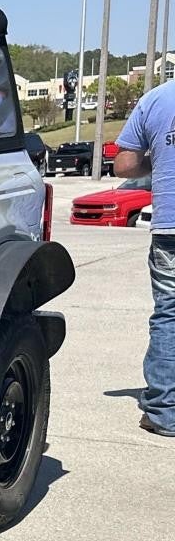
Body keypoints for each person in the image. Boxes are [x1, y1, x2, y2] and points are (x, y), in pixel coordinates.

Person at [115, 77, 175, 437]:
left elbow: (124, 165)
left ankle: (165, 411)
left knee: (170, 314)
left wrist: (157, 158)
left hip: (170, 228)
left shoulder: (156, 100)